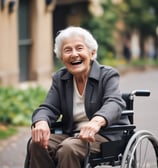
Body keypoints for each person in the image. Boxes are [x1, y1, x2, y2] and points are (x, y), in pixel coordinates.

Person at [29, 26, 128, 168]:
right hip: (72, 135)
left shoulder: (107, 75)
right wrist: (41, 121)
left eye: (79, 48)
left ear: (92, 53)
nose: (74, 54)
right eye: (67, 50)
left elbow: (114, 102)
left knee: (69, 148)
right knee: (37, 143)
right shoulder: (60, 78)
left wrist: (96, 122)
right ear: (62, 58)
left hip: (104, 135)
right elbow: (48, 107)